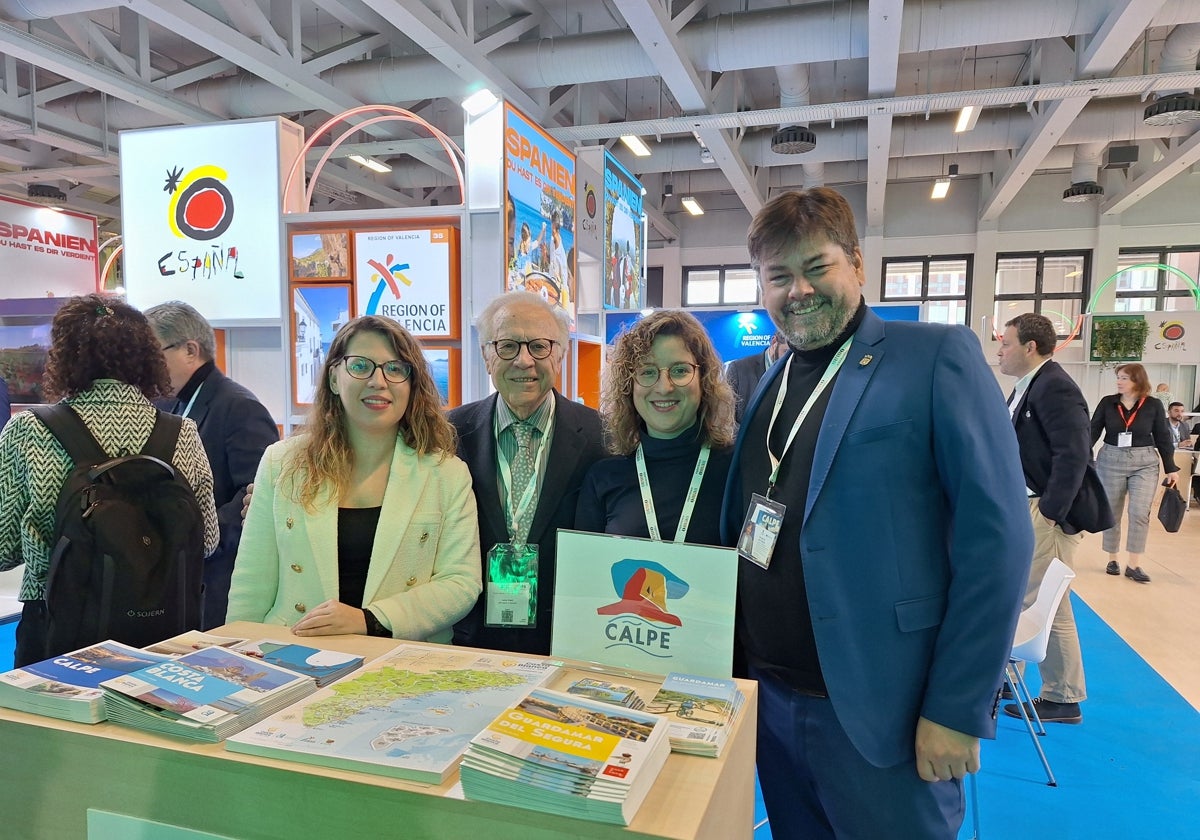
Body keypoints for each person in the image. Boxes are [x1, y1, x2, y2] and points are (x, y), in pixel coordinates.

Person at [721, 188, 1032, 839]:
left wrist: (957, 707)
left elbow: (997, 543)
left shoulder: (934, 357)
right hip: (772, 707)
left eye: (817, 267)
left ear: (857, 264)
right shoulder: (767, 386)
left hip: (883, 712)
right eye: (779, 276)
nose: (798, 291)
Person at [227, 316, 481, 642]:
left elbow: (460, 581)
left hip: (400, 659)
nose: (378, 381)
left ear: (411, 383)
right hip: (292, 653)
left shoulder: (446, 474)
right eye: (361, 366)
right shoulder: (282, 463)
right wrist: (234, 654)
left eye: (395, 368)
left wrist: (368, 620)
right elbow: (251, 584)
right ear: (334, 377)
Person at [0, 294, 219, 667]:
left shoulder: (30, 429)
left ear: (63, 357)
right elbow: (208, 541)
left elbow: (3, 551)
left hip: (59, 629)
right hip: (164, 631)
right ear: (146, 356)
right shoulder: (182, 432)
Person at [449, 291, 606, 655]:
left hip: (565, 641)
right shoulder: (448, 434)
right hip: (469, 641)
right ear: (487, 356)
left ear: (561, 355)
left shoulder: (604, 439)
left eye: (539, 346)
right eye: (507, 346)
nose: (524, 361)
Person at [996, 313, 1113, 725]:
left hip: (1048, 512)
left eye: (1006, 344)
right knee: (1041, 601)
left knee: (1038, 599)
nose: (1000, 351)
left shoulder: (1055, 387)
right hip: (1031, 505)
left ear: (1030, 347)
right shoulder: (1029, 387)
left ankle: (1061, 697)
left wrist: (1050, 513)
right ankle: (1032, 683)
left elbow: (1074, 455)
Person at [144, 301, 280, 629]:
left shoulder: (239, 407)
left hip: (218, 580)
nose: (146, 368)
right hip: (175, 573)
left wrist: (196, 536)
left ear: (190, 350)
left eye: (153, 355)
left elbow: (258, 496)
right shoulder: (167, 403)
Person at [575, 309, 736, 545]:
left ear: (704, 380)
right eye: (648, 372)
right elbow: (584, 573)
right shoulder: (604, 478)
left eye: (680, 370)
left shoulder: (736, 470)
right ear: (629, 387)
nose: (664, 387)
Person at [1091, 363, 1179, 584]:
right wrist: (1082, 458)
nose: (1119, 382)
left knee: (1140, 512)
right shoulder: (1107, 403)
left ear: (1138, 381)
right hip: (1111, 458)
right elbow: (1092, 431)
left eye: (1124, 378)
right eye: (1118, 377)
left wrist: (1171, 468)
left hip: (1145, 461)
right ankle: (1112, 558)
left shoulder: (1153, 405)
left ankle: (1134, 564)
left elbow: (1162, 437)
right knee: (1112, 511)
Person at [725, 330, 787, 423]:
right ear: (774, 342)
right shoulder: (738, 369)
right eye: (786, 352)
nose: (791, 358)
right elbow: (726, 421)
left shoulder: (798, 370)